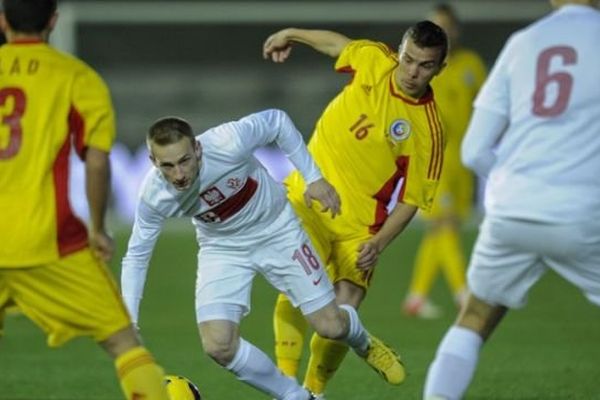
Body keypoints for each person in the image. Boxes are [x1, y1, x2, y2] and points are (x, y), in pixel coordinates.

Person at [120, 109, 405, 400]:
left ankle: (361, 340)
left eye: (184, 161)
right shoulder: (154, 196)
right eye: (167, 166)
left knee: (331, 326)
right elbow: (136, 257)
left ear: (197, 148)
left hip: (278, 231)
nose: (179, 175)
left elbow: (278, 121)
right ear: (153, 161)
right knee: (218, 345)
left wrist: (313, 178)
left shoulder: (228, 141)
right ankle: (296, 396)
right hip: (222, 248)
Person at [424, 1, 600, 399]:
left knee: (474, 317)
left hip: (511, 209)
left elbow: (474, 151)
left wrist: (518, 183)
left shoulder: (523, 42)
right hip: (582, 211)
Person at [263, 21, 448, 397]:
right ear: (399, 50)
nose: (412, 71)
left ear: (439, 69)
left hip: (361, 227)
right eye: (408, 59)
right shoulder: (375, 60)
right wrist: (291, 34)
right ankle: (285, 387)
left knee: (343, 313)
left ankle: (314, 392)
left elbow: (413, 200)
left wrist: (378, 243)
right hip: (308, 198)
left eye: (425, 65)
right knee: (298, 281)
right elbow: (337, 44)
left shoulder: (428, 130)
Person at [0, 1, 169, 399]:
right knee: (123, 342)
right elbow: (96, 160)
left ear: (3, 20)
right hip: (46, 240)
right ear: (53, 21)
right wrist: (97, 228)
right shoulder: (77, 77)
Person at [403, 3, 487, 319]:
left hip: (464, 157)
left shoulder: (471, 65)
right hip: (433, 156)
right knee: (445, 222)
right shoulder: (421, 67)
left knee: (439, 229)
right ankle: (462, 293)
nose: (444, 32)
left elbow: (485, 104)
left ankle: (416, 296)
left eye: (447, 26)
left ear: (456, 30)